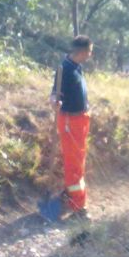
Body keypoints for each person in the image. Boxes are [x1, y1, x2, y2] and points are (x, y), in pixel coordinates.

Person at [49, 35, 94, 219]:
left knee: (78, 162)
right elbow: (54, 94)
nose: (91, 55)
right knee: (73, 165)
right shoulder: (64, 69)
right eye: (90, 51)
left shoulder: (77, 67)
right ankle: (79, 209)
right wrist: (54, 101)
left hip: (80, 121)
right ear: (82, 52)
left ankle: (70, 196)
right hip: (70, 122)